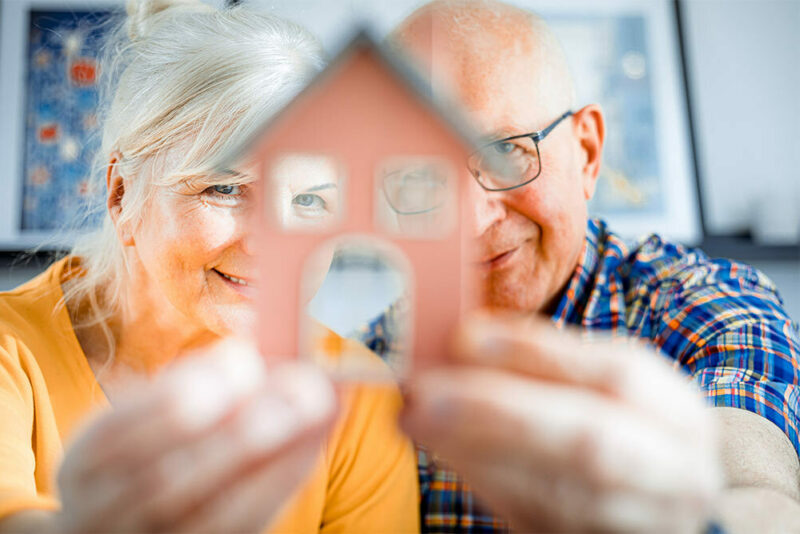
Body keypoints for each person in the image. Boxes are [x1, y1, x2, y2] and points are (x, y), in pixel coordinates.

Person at [371, 1, 800, 532]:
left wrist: (690, 520)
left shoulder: (709, 309)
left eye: (506, 152)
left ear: (588, 153)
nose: (472, 221)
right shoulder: (372, 359)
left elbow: (760, 494)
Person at [0, 1, 418, 532]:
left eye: (311, 201)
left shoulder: (358, 396)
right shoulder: (10, 352)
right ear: (122, 194)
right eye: (225, 188)